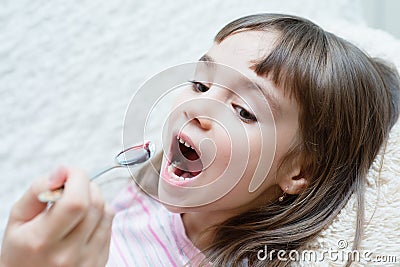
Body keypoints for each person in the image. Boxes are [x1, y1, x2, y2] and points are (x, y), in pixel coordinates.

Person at [1, 14, 399, 267]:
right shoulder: (142, 195)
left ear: (301, 171)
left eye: (243, 110)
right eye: (200, 83)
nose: (199, 108)